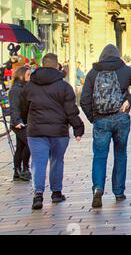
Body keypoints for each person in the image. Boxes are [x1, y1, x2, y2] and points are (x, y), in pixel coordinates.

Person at [81, 44, 131, 208]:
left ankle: (98, 188)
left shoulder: (93, 72)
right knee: (120, 153)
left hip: (101, 119)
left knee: (99, 156)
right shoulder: (125, 70)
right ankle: (118, 191)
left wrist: (94, 118)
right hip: (121, 118)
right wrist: (129, 101)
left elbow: (84, 100)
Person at [23, 53, 85, 210]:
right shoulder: (64, 86)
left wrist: (26, 121)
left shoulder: (30, 86)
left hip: (36, 131)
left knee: (38, 161)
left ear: (42, 65)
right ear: (57, 66)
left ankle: (38, 195)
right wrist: (78, 127)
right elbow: (71, 110)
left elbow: (23, 107)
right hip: (59, 131)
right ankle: (56, 193)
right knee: (57, 160)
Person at [9, 66, 32, 181]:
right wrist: (17, 121)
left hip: (25, 121)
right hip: (18, 122)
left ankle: (17, 171)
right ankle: (24, 168)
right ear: (21, 75)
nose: (30, 76)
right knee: (29, 143)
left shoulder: (27, 87)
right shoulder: (16, 89)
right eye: (28, 74)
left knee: (21, 146)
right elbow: (14, 107)